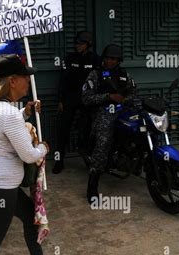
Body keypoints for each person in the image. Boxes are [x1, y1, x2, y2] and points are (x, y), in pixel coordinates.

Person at [0, 53, 50, 255]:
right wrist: (44, 148)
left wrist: (25, 113)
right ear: (12, 81)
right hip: (0, 188)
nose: (29, 81)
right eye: (25, 77)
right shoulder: (7, 113)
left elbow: (7, 129)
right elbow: (29, 155)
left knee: (29, 220)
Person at [81, 44, 136, 204]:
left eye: (114, 59)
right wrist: (108, 97)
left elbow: (134, 91)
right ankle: (92, 186)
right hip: (103, 112)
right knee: (103, 142)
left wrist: (126, 99)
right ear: (103, 59)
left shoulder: (124, 75)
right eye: (108, 58)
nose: (111, 61)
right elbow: (86, 98)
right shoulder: (95, 75)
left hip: (123, 110)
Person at [53, 31, 100, 174]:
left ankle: (88, 159)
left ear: (88, 45)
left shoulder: (95, 60)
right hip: (70, 98)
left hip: (88, 100)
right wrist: (61, 100)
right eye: (77, 43)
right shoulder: (69, 58)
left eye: (81, 43)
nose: (78, 46)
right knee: (63, 130)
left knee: (87, 130)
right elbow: (63, 80)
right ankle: (59, 161)